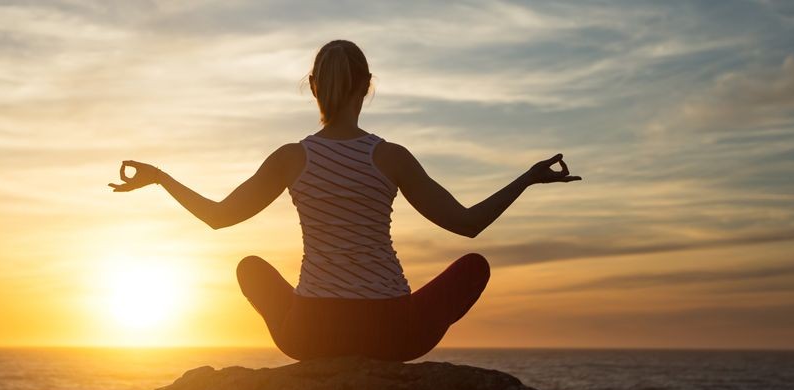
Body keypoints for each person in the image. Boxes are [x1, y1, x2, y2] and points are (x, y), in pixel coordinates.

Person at [108, 40, 580, 361]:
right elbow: (467, 224)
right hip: (394, 334)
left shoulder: (292, 158)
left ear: (314, 86)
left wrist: (159, 178)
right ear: (366, 84)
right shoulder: (390, 157)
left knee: (250, 268)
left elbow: (218, 217)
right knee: (473, 265)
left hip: (310, 336)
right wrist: (528, 178)